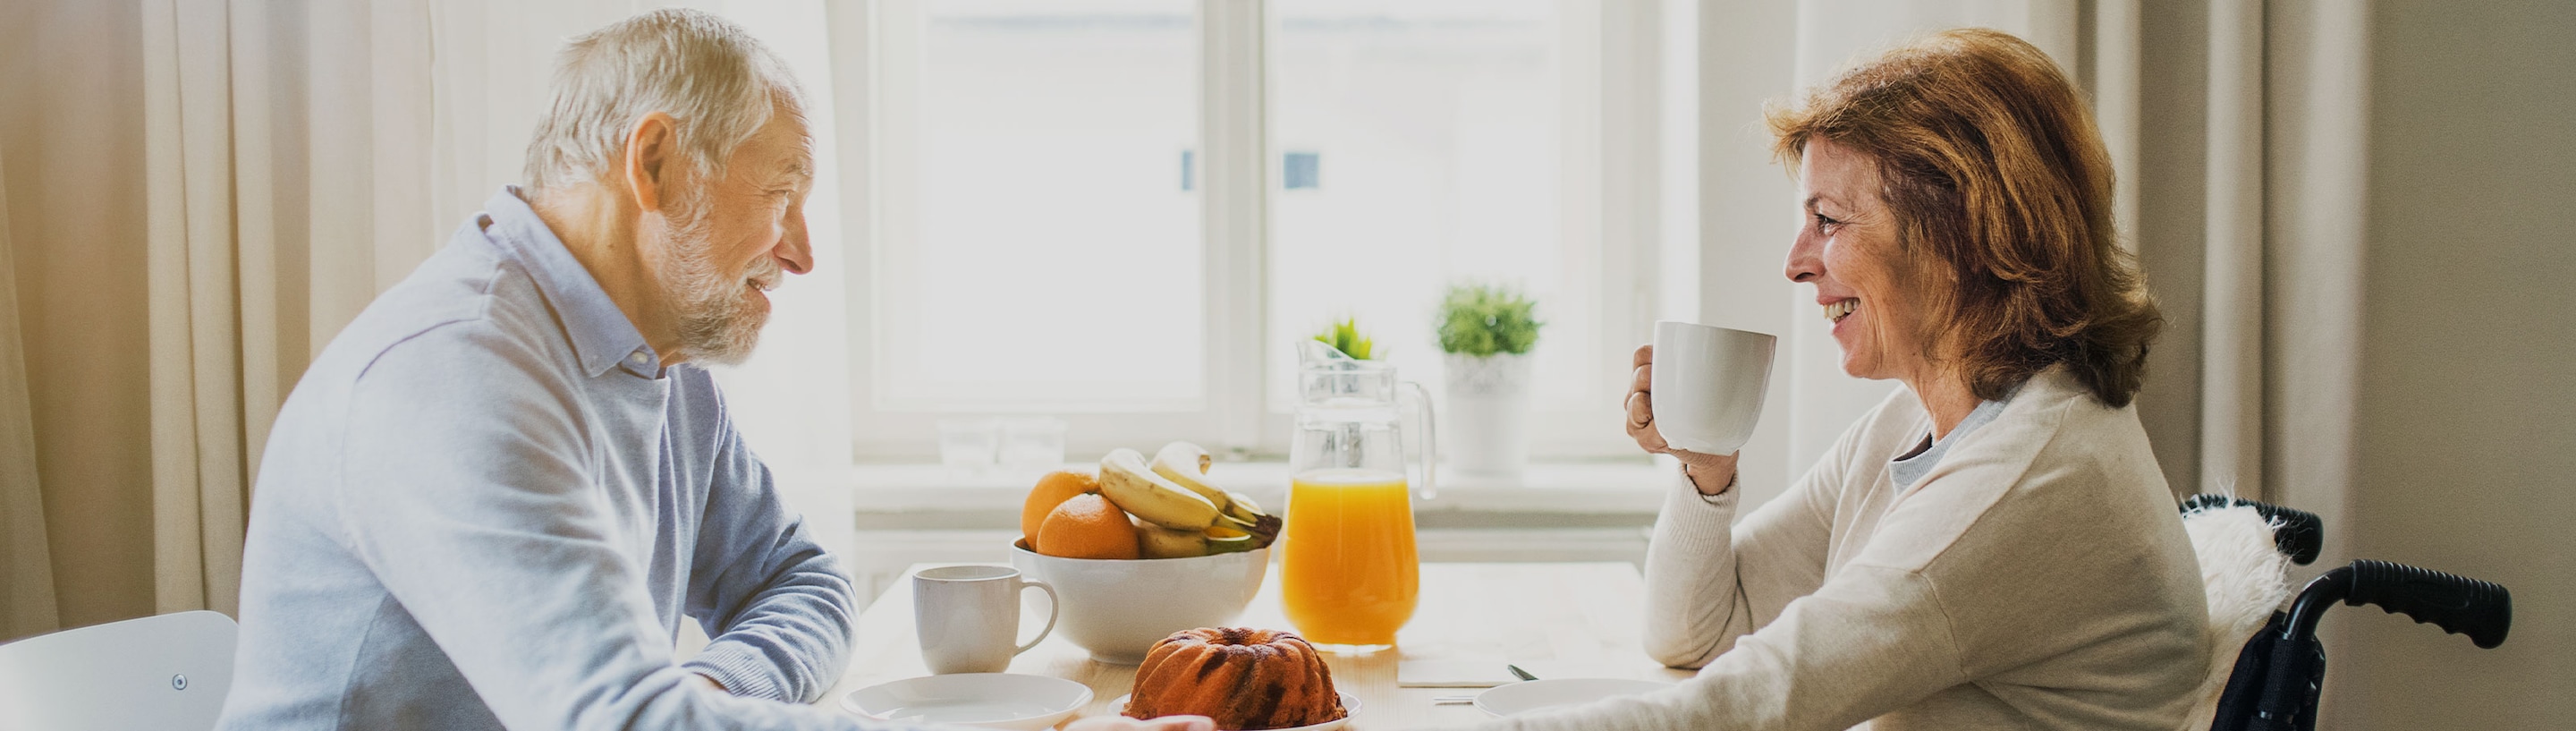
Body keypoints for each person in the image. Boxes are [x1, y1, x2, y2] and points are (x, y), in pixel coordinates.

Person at [216, 10, 1204, 731]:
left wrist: (711, 690)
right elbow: (620, 722)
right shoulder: (458, 377)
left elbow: (800, 581)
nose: (802, 253)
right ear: (653, 163)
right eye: (781, 194)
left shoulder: (659, 365)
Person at [1470, 29, 2209, 730]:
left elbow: (1750, 705)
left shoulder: (2029, 477)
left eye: (1827, 220)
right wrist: (1706, 468)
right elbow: (1696, 636)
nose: (1795, 262)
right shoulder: (1917, 424)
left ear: (1959, 236)